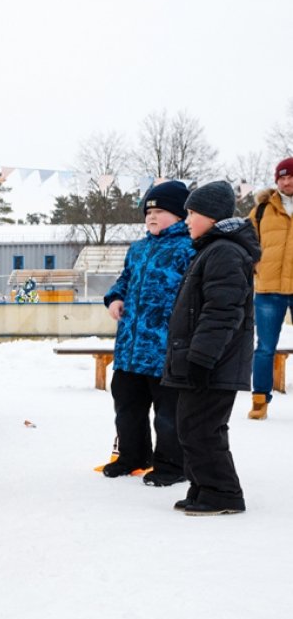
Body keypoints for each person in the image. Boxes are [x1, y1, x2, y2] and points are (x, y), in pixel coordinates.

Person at [162, 181, 259, 515]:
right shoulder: (211, 249)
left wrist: (201, 358)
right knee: (191, 427)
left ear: (213, 216)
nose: (187, 220)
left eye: (192, 213)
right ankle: (203, 485)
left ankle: (223, 493)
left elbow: (221, 311)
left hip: (215, 361)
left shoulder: (225, 252)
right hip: (204, 359)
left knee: (202, 428)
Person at [101, 181, 195, 485]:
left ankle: (171, 464)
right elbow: (124, 280)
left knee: (167, 413)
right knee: (127, 406)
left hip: (164, 349)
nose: (152, 216)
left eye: (161, 210)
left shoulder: (189, 248)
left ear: (180, 215)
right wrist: (115, 298)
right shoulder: (138, 249)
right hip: (130, 348)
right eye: (148, 211)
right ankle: (132, 455)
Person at [246, 157, 293, 419]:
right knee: (265, 347)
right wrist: (256, 266)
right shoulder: (263, 209)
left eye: (290, 177)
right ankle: (260, 400)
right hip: (269, 287)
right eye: (281, 178)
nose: (286, 182)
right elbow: (247, 240)